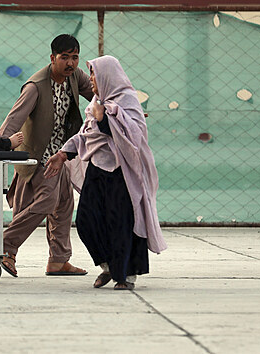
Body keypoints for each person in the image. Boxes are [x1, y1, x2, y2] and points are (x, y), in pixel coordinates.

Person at [44, 55, 167, 290]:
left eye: (94, 74)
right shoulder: (97, 103)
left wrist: (105, 119)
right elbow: (86, 135)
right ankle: (108, 267)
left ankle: (125, 276)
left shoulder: (127, 101)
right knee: (87, 222)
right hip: (98, 171)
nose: (91, 80)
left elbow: (134, 136)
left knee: (121, 223)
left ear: (107, 76)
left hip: (123, 174)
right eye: (90, 74)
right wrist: (63, 154)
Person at [0, 34, 93, 277]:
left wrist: (123, 110)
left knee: (63, 205)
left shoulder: (75, 77)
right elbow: (14, 118)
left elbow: (98, 94)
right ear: (52, 58)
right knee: (47, 203)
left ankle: (58, 261)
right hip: (38, 158)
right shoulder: (35, 86)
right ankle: (6, 246)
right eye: (64, 58)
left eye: (74, 58)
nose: (70, 63)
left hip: (60, 156)